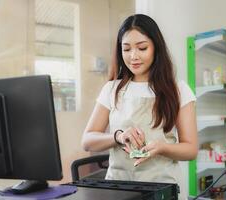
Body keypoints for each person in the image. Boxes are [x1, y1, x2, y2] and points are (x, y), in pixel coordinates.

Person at [82, 14, 198, 199]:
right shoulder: (111, 89)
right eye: (126, 49)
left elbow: (191, 149)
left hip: (162, 189)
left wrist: (161, 147)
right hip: (118, 189)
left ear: (156, 48)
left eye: (142, 48)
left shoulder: (178, 90)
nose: (133, 56)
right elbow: (87, 140)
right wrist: (118, 136)